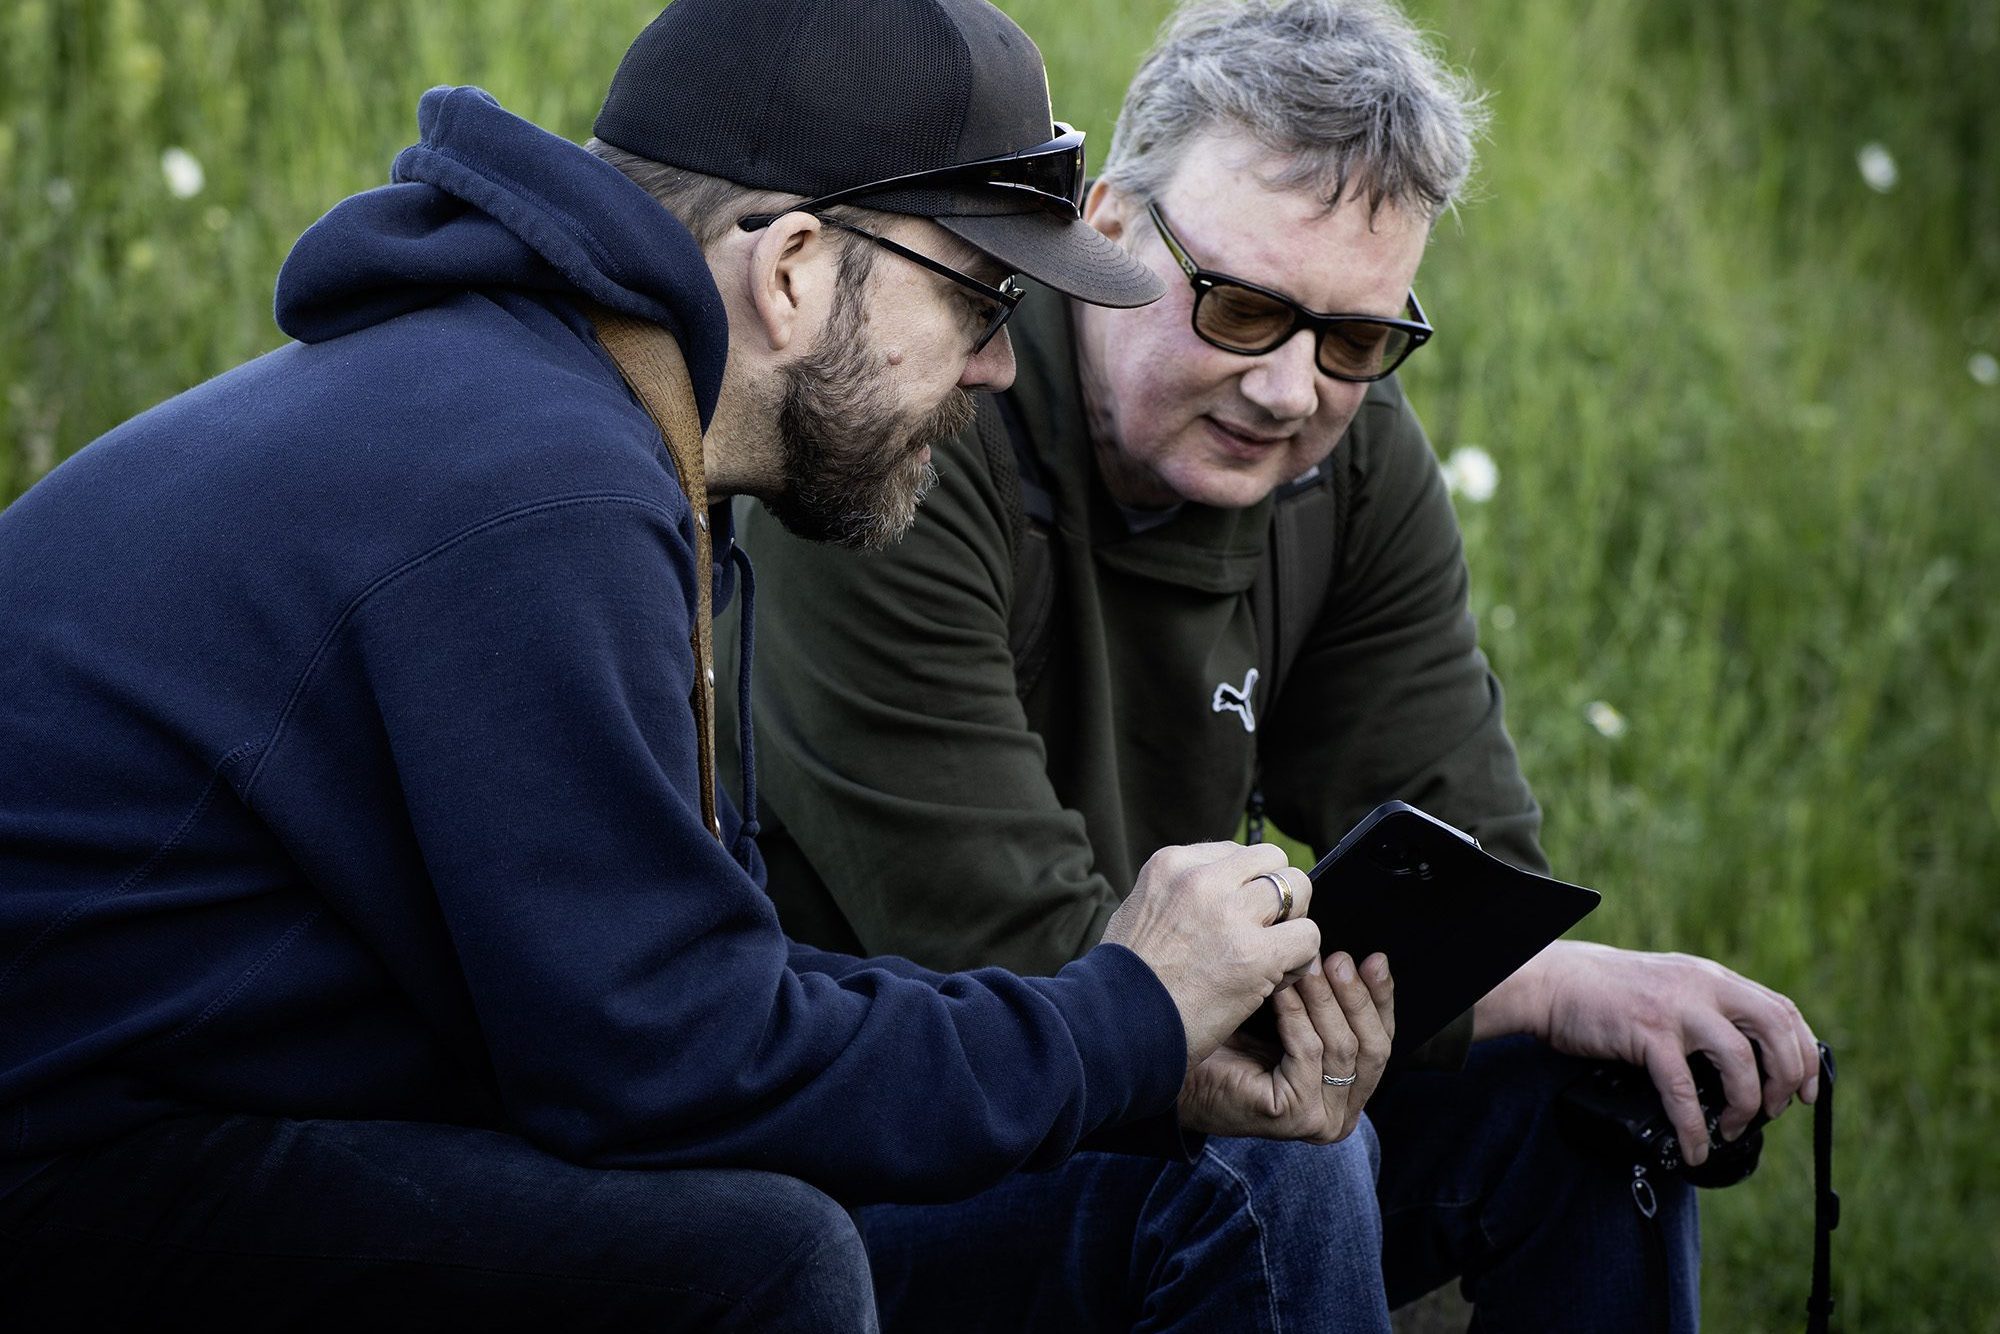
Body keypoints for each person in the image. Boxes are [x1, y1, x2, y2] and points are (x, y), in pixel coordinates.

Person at [0, 2, 1398, 1328]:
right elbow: (662, 1059)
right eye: (982, 303)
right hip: (73, 1166)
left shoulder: (556, 416)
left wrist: (1142, 1063)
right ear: (792, 271)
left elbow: (688, 989)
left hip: (232, 1119)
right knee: (756, 1263)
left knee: (1205, 1183)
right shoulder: (534, 482)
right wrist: (1121, 1016)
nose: (997, 368)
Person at [722, 0, 1824, 1328]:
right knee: (1268, 1157)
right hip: (869, 1153)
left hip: (1148, 1064)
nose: (1292, 389)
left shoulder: (1346, 463)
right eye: (1241, 307)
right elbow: (1016, 960)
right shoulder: (923, 424)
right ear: (1108, 230)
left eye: (1355, 340)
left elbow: (1463, 874)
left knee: (1582, 1095)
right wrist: (1517, 987)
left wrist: (1531, 992)